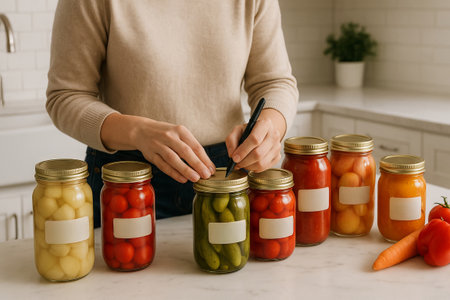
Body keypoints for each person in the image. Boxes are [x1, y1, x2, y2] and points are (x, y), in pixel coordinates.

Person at [46, 0, 299, 228]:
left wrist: (271, 126)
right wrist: (137, 132)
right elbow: (66, 95)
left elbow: (275, 82)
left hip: (227, 176)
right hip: (127, 180)